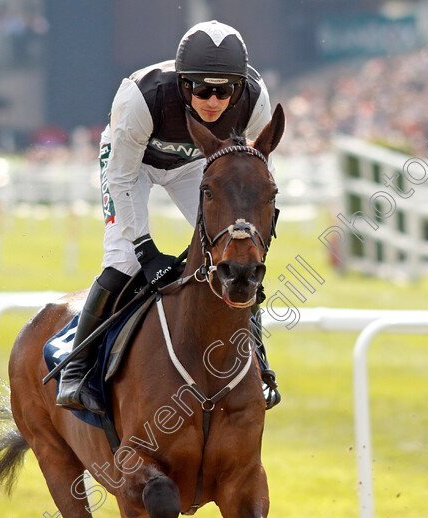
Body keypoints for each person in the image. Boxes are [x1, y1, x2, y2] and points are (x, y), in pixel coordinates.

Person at [56, 20, 280, 414]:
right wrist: (146, 251)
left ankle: (258, 362)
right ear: (182, 85)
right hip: (133, 165)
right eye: (201, 89)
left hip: (195, 164)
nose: (212, 101)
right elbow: (121, 177)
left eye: (223, 91)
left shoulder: (256, 100)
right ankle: (77, 368)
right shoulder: (140, 98)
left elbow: (256, 172)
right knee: (123, 260)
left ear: (239, 89)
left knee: (235, 255)